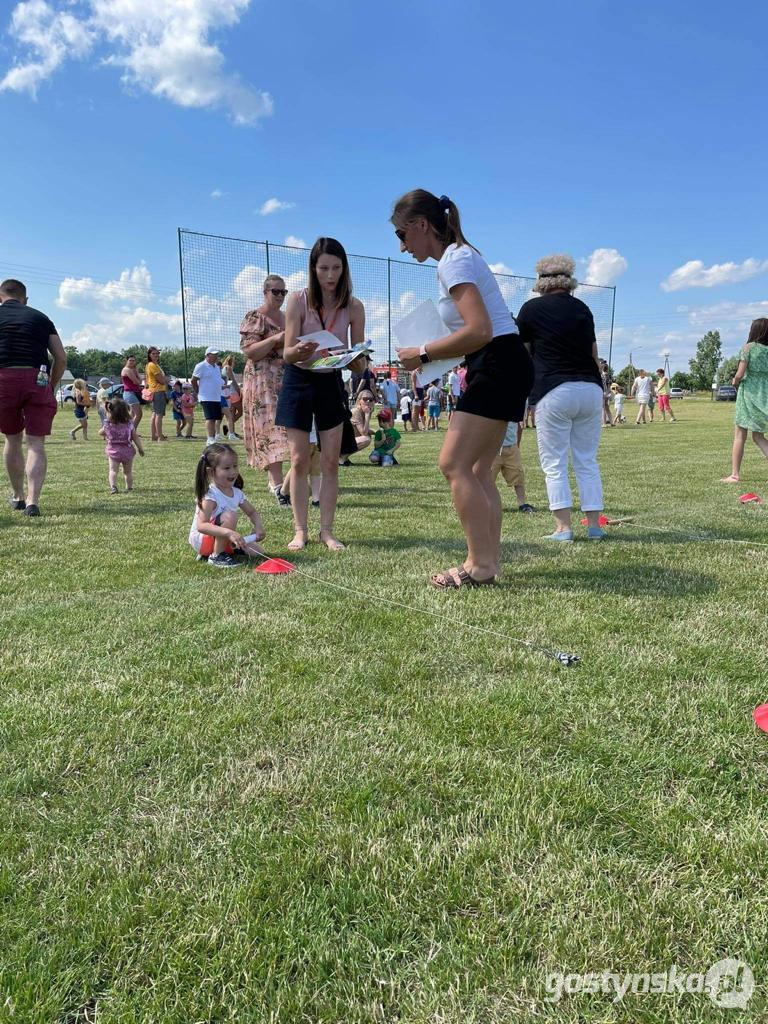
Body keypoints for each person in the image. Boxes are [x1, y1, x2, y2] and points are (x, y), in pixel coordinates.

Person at [392, 190, 533, 586]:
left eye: (402, 235)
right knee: (476, 469)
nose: (403, 247)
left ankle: (480, 565)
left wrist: (421, 353)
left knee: (453, 464)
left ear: (422, 226)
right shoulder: (461, 256)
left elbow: (480, 330)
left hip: (498, 362)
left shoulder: (454, 260)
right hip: (502, 362)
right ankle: (488, 561)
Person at [277, 237, 366, 552]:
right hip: (299, 379)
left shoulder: (354, 306)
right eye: (324, 268)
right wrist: (299, 350)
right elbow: (287, 353)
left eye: (336, 268)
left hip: (331, 381)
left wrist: (358, 360)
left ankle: (326, 531)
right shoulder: (298, 301)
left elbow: (359, 360)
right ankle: (299, 530)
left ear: (344, 269)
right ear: (313, 269)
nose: (330, 275)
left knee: (330, 461)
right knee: (300, 460)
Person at [515, 254, 605, 542]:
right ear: (569, 281)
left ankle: (563, 528)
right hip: (590, 388)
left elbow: (524, 355)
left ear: (541, 282)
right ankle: (594, 526)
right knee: (587, 460)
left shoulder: (530, 309)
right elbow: (593, 352)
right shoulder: (583, 308)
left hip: (553, 389)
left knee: (554, 462)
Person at [0, 278, 66, 516]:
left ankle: (17, 496)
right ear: (24, 299)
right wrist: (51, 384)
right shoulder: (40, 317)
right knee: (36, 443)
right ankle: (32, 501)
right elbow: (61, 356)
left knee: (12, 439)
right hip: (37, 376)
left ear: (1, 297)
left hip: (4, 378)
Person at [240, 275, 291, 501]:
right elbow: (250, 351)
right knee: (271, 429)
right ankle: (277, 483)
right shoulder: (255, 316)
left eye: (283, 292)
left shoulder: (288, 318)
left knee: (287, 428)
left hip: (285, 378)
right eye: (276, 292)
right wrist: (274, 339)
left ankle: (286, 481)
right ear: (265, 292)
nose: (280, 296)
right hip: (261, 381)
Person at [189, 443, 266, 568]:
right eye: (227, 468)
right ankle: (216, 556)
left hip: (222, 536)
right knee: (230, 515)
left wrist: (258, 526)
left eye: (235, 466)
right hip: (201, 540)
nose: (233, 472)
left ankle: (220, 551)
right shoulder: (210, 495)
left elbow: (252, 512)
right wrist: (229, 533)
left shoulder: (236, 493)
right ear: (210, 472)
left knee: (258, 552)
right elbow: (201, 526)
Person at [721, 319, 768, 483]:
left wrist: (734, 381)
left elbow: (740, 374)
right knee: (758, 436)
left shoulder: (748, 348)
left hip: (748, 393)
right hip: (765, 394)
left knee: (740, 435)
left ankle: (735, 475)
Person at [99, 396, 144, 493]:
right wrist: (140, 448)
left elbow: (101, 432)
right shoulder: (129, 424)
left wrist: (105, 430)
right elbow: (135, 437)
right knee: (128, 472)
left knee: (113, 470)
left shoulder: (108, 425)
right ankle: (129, 487)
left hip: (113, 452)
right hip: (127, 451)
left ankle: (113, 487)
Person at [492, 421, 535, 513]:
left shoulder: (514, 410)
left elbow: (519, 426)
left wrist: (517, 445)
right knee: (486, 478)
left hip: (511, 448)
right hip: (492, 449)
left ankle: (522, 504)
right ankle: (483, 503)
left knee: (518, 476)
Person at [281, 420, 321, 508]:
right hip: (303, 432)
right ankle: (284, 491)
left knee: (316, 467)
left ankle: (316, 499)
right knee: (300, 464)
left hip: (319, 432)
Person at [191, 346, 224, 445]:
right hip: (206, 396)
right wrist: (198, 392)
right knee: (209, 418)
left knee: (214, 418)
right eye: (214, 354)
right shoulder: (201, 366)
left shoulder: (217, 367)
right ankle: (210, 438)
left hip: (216, 397)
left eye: (217, 354)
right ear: (207, 355)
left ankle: (212, 437)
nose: (216, 356)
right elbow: (193, 380)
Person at [144, 347, 168, 441]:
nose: (156, 355)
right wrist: (166, 380)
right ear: (149, 355)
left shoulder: (151, 365)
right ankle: (159, 436)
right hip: (158, 391)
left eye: (157, 353)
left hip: (154, 391)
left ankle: (154, 436)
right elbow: (161, 380)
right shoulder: (152, 365)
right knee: (159, 414)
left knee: (154, 414)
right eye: (153, 353)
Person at [120, 355, 144, 433]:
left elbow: (139, 381)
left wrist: (137, 374)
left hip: (133, 393)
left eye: (133, 360)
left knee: (132, 415)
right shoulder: (127, 370)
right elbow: (137, 381)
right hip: (129, 393)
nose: (132, 362)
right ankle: (131, 432)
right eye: (130, 360)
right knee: (139, 414)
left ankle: (128, 430)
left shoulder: (132, 370)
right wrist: (137, 376)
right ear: (127, 361)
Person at [221, 355, 242, 438]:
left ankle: (231, 431)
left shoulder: (224, 368)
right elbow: (233, 381)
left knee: (232, 412)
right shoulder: (228, 368)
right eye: (234, 361)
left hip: (227, 393)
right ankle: (229, 427)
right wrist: (239, 390)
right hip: (232, 392)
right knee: (241, 411)